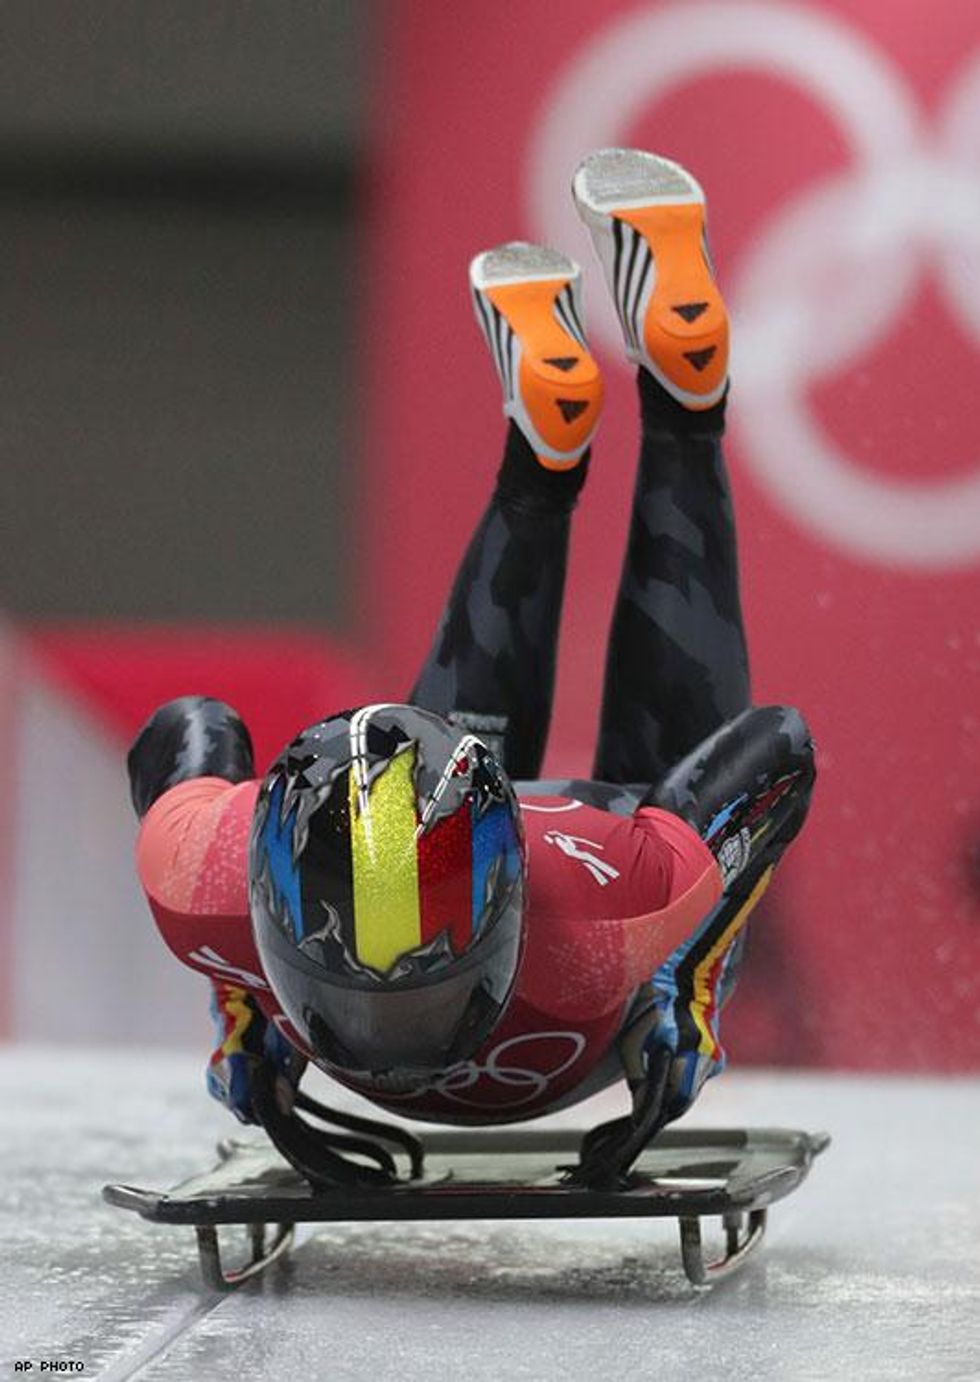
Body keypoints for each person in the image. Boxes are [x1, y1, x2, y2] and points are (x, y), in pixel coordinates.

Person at [128, 149, 815, 1186]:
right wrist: (686, 990)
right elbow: (776, 748)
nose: (388, 1041)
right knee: (648, 825)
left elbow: (187, 725)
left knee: (667, 868)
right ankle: (660, 407)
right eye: (350, 995)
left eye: (419, 998)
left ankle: (590, 437)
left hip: (596, 887)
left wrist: (682, 973)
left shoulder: (616, 904)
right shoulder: (203, 878)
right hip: (583, 974)